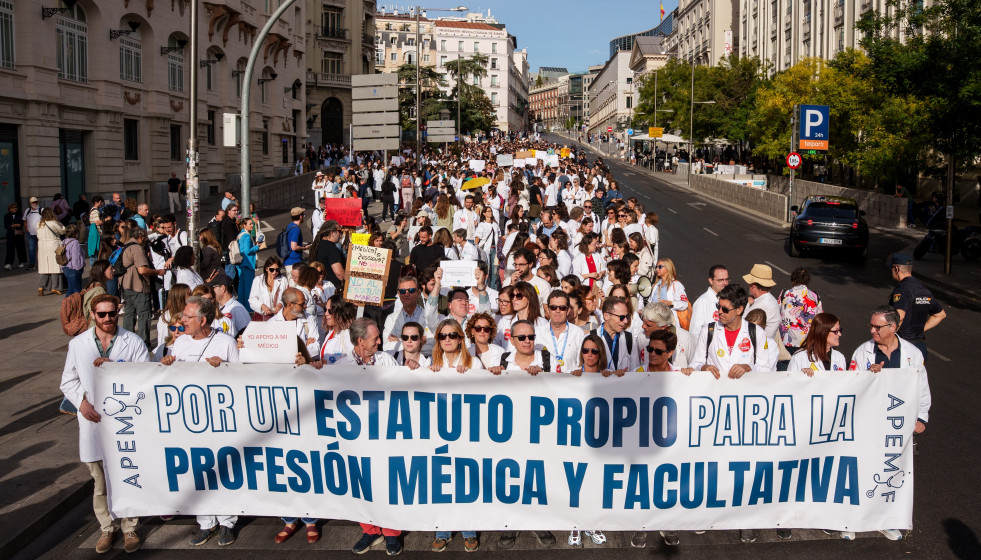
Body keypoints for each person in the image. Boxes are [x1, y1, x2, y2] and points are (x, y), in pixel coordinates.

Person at [60, 294, 148, 553]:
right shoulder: (78, 345)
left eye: (112, 313)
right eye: (102, 314)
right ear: (93, 315)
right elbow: (68, 381)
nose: (108, 319)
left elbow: (146, 376)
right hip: (93, 421)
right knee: (99, 481)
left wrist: (115, 369)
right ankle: (107, 528)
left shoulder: (132, 341)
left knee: (127, 476)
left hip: (124, 421)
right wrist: (82, 404)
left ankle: (130, 527)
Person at [159, 296, 240, 546]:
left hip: (219, 418)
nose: (182, 320)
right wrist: (166, 366)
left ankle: (227, 521)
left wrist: (224, 367)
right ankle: (206, 522)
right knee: (197, 470)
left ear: (202, 320)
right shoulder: (180, 343)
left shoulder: (225, 342)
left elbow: (242, 379)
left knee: (223, 470)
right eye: (183, 316)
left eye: (187, 316)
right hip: (189, 420)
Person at [849, 306, 930, 542]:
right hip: (867, 422)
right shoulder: (863, 352)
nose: (872, 330)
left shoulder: (913, 354)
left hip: (897, 424)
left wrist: (922, 417)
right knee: (862, 470)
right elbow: (850, 384)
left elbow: (921, 386)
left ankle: (885, 520)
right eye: (871, 326)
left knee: (891, 471)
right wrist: (868, 375)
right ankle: (851, 520)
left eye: (877, 326)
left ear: (893, 327)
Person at [690, 283, 776, 379]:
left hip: (743, 392)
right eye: (718, 307)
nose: (720, 311)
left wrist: (748, 367)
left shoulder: (757, 333)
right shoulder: (708, 330)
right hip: (715, 391)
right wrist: (703, 367)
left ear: (739, 310)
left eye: (725, 309)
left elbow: (766, 370)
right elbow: (695, 363)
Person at [887, 252, 945, 361]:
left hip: (903, 346)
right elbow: (940, 315)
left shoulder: (902, 289)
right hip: (919, 346)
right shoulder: (923, 289)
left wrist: (888, 338)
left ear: (896, 269)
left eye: (892, 268)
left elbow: (900, 315)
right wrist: (920, 329)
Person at [778, 267, 823, 357]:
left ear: (793, 280)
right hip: (807, 340)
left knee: (785, 365)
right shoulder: (815, 296)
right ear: (807, 281)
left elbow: (777, 311)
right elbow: (820, 317)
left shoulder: (785, 293)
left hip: (787, 339)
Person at [535, 290, 584, 373]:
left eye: (562, 308)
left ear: (568, 310)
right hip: (545, 383)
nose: (557, 311)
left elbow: (581, 363)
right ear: (548, 310)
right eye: (553, 307)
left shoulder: (578, 333)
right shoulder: (537, 332)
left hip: (569, 383)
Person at [269, 288, 322, 358]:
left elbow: (315, 347)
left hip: (305, 366)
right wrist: (303, 349)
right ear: (290, 305)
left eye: (305, 303)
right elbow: (274, 352)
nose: (305, 306)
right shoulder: (271, 324)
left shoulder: (309, 318)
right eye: (302, 304)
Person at [640, 302, 694, 369]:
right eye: (643, 322)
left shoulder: (685, 338)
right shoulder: (641, 337)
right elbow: (636, 368)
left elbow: (694, 365)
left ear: (663, 327)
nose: (643, 326)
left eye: (648, 325)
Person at [742, 264, 780, 341]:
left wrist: (748, 304)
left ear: (753, 286)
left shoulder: (762, 304)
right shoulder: (771, 299)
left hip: (760, 345)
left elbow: (742, 323)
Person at [689, 265, 729, 337]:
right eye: (720, 280)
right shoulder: (702, 302)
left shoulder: (728, 299)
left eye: (726, 279)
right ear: (711, 281)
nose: (725, 283)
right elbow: (694, 333)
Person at [651, 258, 688, 327]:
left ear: (668, 268)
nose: (657, 269)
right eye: (656, 267)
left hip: (669, 323)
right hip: (655, 322)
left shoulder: (676, 285)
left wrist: (670, 303)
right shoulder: (655, 285)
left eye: (660, 267)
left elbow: (684, 304)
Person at [37, 208, 66, 296]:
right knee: (55, 266)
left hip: (42, 246)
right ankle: (55, 287)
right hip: (53, 244)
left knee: (44, 267)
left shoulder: (38, 224)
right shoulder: (53, 222)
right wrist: (58, 221)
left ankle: (41, 287)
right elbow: (63, 230)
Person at [236, 216, 262, 311]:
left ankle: (241, 306)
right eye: (250, 224)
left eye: (252, 223)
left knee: (241, 287)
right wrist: (257, 247)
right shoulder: (247, 236)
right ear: (244, 225)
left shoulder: (241, 234)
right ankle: (248, 308)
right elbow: (247, 251)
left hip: (241, 264)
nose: (252, 225)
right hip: (247, 264)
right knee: (248, 288)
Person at [249, 257, 288, 321]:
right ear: (266, 269)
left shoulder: (283, 280)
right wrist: (262, 306)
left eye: (277, 270)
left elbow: (286, 297)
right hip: (262, 317)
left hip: (278, 317)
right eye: (272, 270)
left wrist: (280, 304)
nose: (274, 272)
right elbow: (252, 299)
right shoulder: (258, 280)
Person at [314, 220, 346, 292]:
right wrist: (348, 282)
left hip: (323, 285)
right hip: (333, 288)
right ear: (332, 233)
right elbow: (339, 273)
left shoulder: (318, 245)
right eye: (339, 231)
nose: (340, 234)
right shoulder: (331, 249)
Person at [284, 207, 311, 274]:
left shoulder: (290, 226)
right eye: (303, 215)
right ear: (300, 216)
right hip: (294, 262)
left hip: (288, 259)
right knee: (295, 284)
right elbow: (294, 247)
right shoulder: (296, 229)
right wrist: (305, 248)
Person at [61, 224, 85, 296]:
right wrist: (78, 269)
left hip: (65, 267)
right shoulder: (75, 242)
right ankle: (75, 306)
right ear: (75, 234)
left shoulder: (64, 241)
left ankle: (66, 305)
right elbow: (76, 257)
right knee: (77, 291)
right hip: (73, 269)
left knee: (71, 289)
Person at [4, 202, 27, 269]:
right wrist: (12, 225)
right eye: (12, 208)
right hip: (10, 234)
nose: (14, 209)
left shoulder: (20, 215)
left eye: (15, 207)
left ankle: (22, 261)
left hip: (18, 234)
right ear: (9, 209)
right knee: (10, 249)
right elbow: (6, 225)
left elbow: (22, 223)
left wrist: (17, 225)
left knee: (20, 248)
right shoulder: (6, 216)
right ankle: (9, 263)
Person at [23, 196, 43, 269]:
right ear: (30, 203)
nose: (35, 203)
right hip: (30, 233)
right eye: (33, 202)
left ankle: (41, 263)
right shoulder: (27, 210)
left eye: (36, 202)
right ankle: (32, 263)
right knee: (31, 249)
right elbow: (24, 220)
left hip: (40, 233)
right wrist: (26, 228)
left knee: (41, 249)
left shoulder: (41, 210)